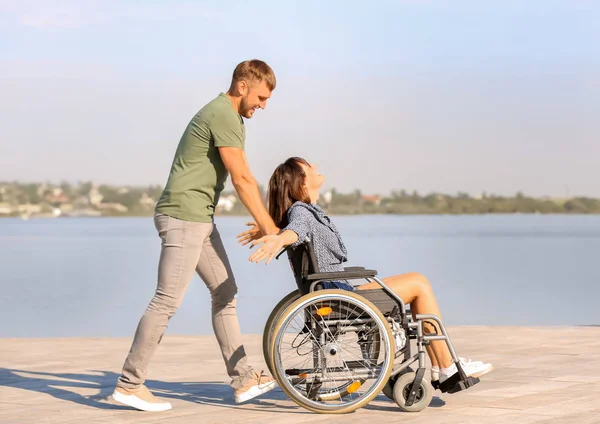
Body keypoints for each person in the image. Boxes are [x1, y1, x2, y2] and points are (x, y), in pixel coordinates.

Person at [112, 60, 283, 412]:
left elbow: (244, 176)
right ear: (242, 86)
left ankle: (244, 378)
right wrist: (271, 229)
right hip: (183, 217)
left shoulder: (231, 117)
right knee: (166, 301)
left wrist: (266, 222)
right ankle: (130, 384)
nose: (263, 106)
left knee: (225, 291)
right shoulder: (222, 113)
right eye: (262, 97)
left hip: (199, 218)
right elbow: (243, 180)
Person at [239, 157, 494, 386]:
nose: (316, 167)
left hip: (335, 290)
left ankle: (444, 367)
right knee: (419, 284)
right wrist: (279, 239)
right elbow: (296, 231)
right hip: (337, 294)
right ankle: (447, 366)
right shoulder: (302, 212)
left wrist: (272, 231)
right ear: (301, 183)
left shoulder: (303, 211)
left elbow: (293, 229)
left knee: (416, 284)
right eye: (309, 168)